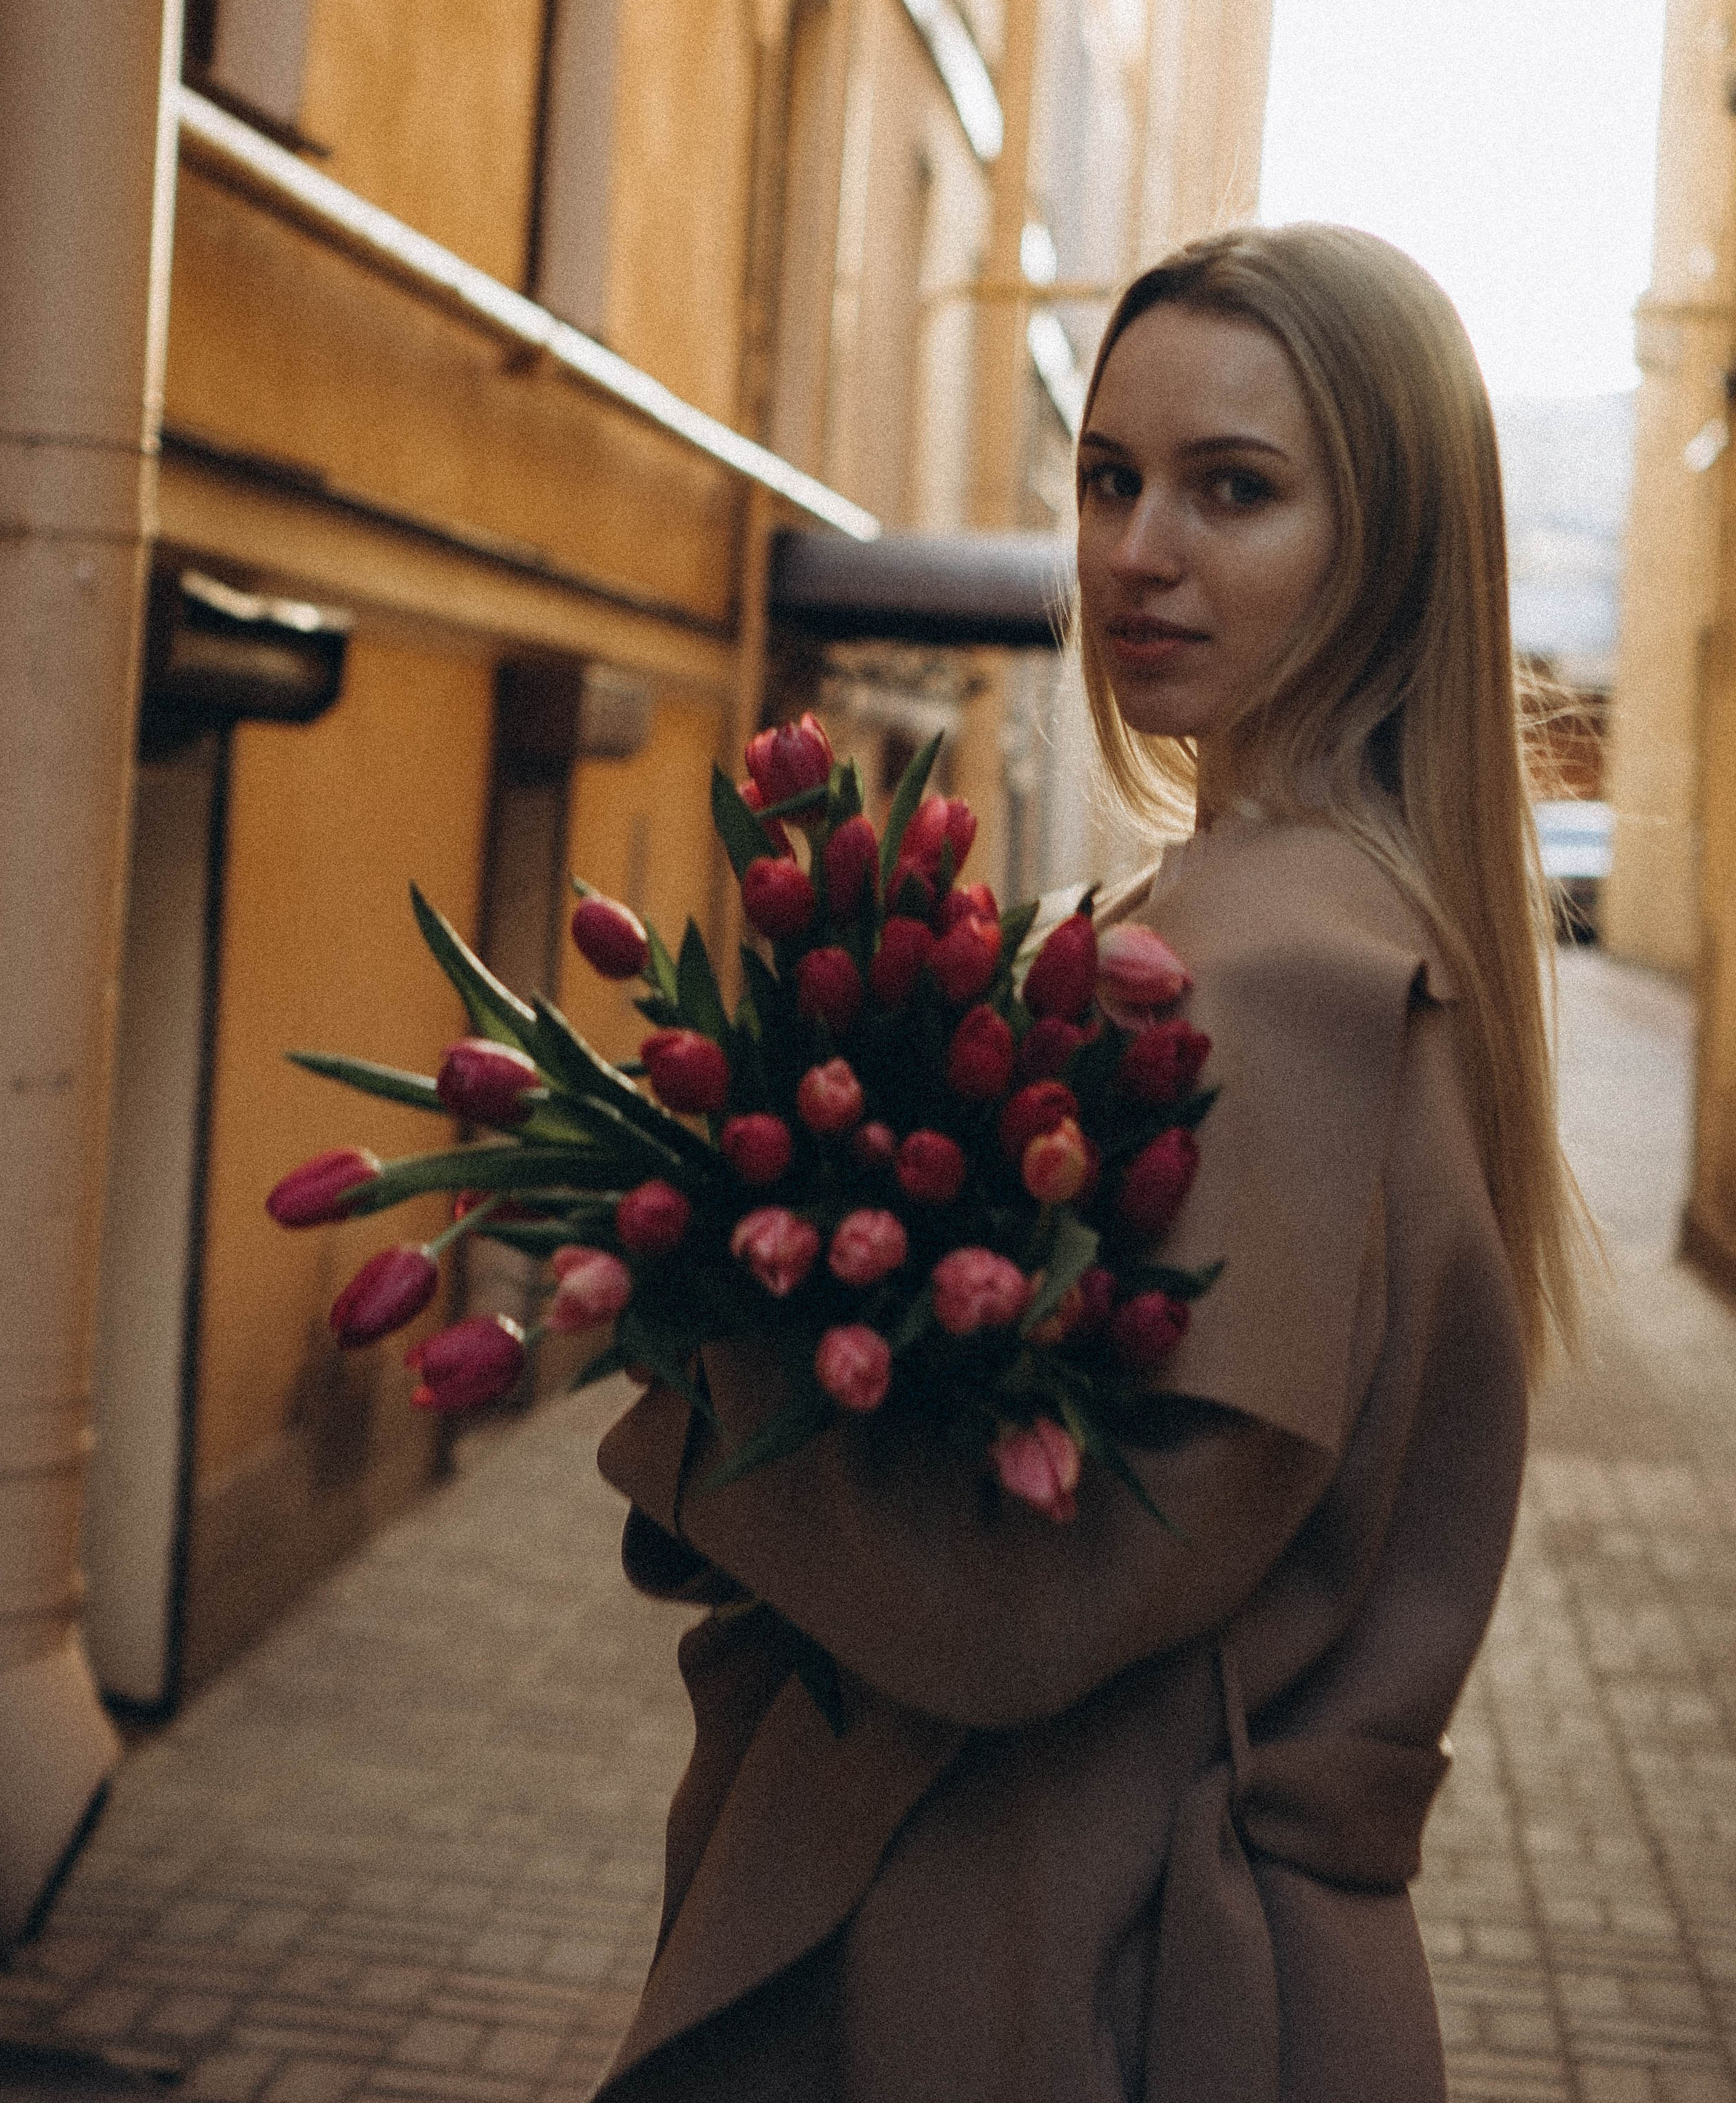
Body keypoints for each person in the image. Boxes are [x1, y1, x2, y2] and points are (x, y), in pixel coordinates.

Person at [590, 223, 1596, 2102]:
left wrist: (691, 1374)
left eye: (1236, 491)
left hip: (1082, 1960)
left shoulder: (1284, 974)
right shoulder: (1263, 916)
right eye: (1111, 478)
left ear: (1386, 550)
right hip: (1110, 1932)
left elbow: (1035, 1606)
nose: (1138, 554)